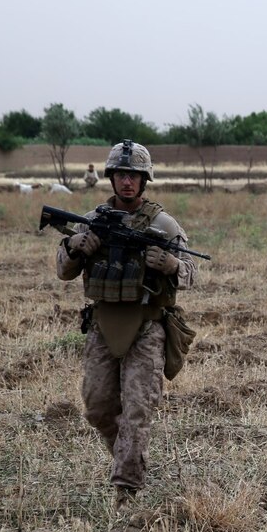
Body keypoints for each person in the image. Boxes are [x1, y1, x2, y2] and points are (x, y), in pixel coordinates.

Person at [56, 140, 198, 508]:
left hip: (147, 326)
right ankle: (127, 456)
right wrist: (75, 248)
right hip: (103, 325)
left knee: (137, 410)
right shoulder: (93, 221)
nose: (127, 182)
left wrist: (171, 266)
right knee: (98, 408)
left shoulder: (164, 225)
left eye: (134, 175)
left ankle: (126, 488)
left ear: (144, 179)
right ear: (111, 178)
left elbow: (192, 273)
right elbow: (63, 272)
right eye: (121, 175)